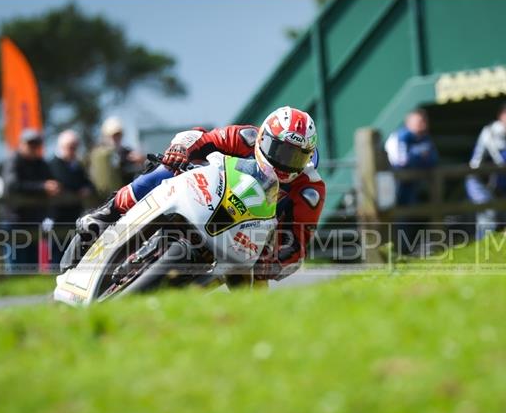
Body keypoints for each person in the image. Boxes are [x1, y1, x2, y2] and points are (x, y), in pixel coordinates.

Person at [72, 106, 325, 284]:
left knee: (256, 288)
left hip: (250, 241)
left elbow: (298, 243)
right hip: (209, 197)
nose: (284, 162)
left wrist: (275, 263)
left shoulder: (310, 189)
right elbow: (201, 138)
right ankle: (108, 212)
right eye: (279, 150)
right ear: (263, 137)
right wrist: (181, 149)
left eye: (295, 157)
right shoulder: (246, 137)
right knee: (166, 169)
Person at [465, 101, 506, 237]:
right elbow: (503, 158)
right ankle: (482, 252)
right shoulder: (491, 131)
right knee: (488, 218)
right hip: (479, 180)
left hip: (496, 182)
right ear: (501, 116)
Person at [1, 129, 61, 273]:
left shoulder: (41, 163)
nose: (33, 147)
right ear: (21, 144)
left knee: (32, 264)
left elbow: (53, 181)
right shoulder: (13, 161)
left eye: (36, 144)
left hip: (34, 220)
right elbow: (12, 185)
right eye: (30, 144)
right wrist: (42, 187)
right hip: (15, 220)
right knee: (17, 265)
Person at [384, 108, 439, 254]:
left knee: (420, 215)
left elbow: (433, 160)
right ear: (409, 122)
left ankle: (413, 249)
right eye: (419, 121)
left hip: (417, 185)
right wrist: (421, 156)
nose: (423, 124)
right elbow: (403, 162)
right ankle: (401, 252)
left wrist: (418, 157)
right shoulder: (401, 136)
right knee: (401, 217)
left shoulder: (425, 138)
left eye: (424, 120)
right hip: (399, 186)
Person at [47, 129, 96, 266]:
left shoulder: (76, 165)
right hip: (57, 215)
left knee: (73, 248)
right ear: (62, 146)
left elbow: (89, 184)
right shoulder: (53, 164)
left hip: (75, 214)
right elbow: (65, 182)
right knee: (58, 248)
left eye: (75, 147)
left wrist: (86, 189)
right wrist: (79, 189)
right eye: (71, 147)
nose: (74, 150)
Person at [87, 117, 145, 197]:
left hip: (127, 193)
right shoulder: (100, 155)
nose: (116, 138)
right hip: (108, 196)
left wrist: (141, 161)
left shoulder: (127, 152)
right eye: (113, 135)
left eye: (118, 135)